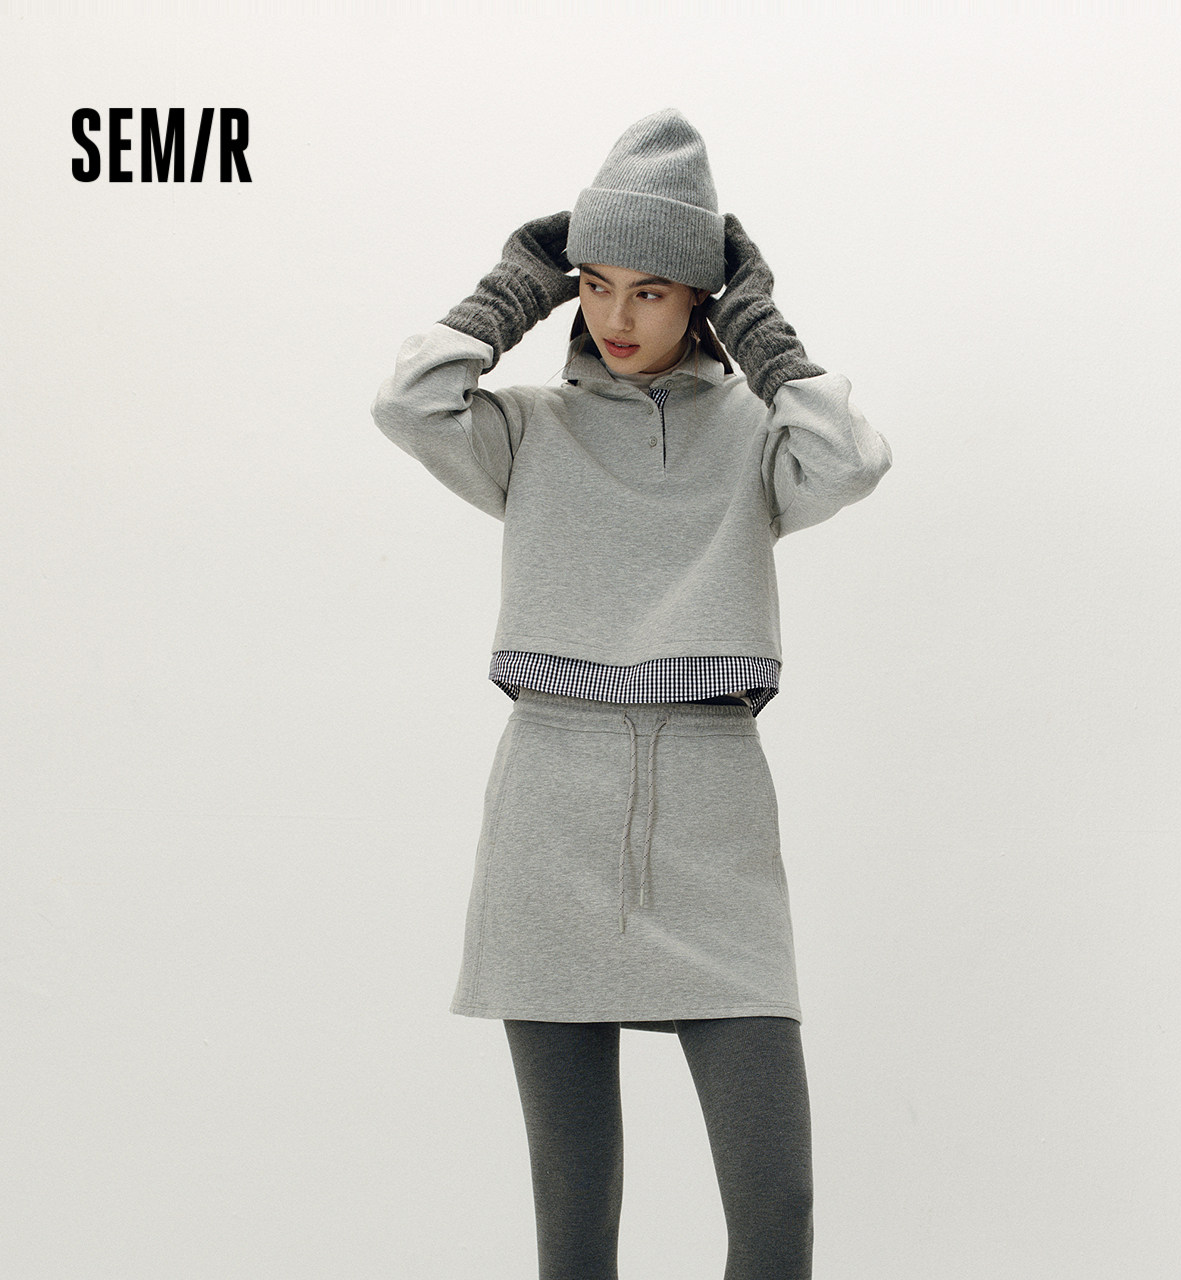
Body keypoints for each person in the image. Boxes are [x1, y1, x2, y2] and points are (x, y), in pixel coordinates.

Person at [372, 108, 891, 1280]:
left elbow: (852, 458)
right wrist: (512, 289)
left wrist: (758, 328)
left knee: (774, 1207)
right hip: (548, 815)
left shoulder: (756, 438)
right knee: (574, 1217)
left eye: (651, 290)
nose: (615, 317)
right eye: (594, 284)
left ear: (702, 298)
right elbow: (407, 401)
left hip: (712, 817)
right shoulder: (527, 431)